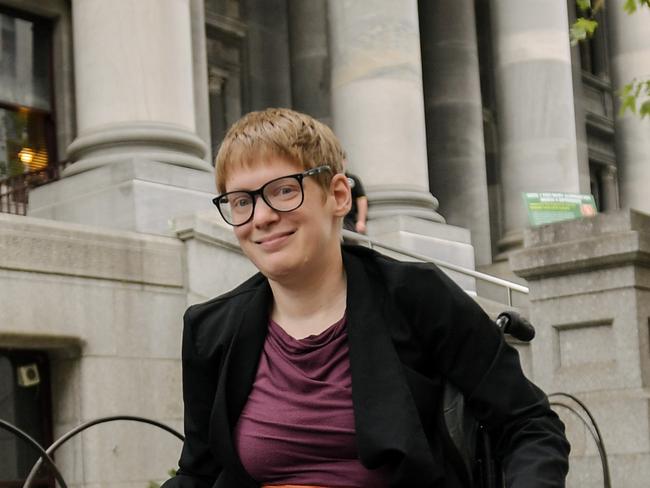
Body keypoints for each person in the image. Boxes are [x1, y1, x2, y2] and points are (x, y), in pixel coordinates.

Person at [162, 108, 570, 488]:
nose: (262, 216)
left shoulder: (416, 297)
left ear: (338, 195)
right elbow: (199, 473)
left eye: (284, 191)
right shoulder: (210, 331)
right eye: (241, 202)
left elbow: (529, 424)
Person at [342, 155, 368, 234]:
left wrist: (361, 221)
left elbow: (361, 199)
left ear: (345, 161)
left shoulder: (352, 179)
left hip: (348, 219)